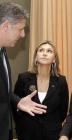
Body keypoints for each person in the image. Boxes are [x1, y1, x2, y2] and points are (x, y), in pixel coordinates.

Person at [0, 2, 47, 140]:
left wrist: (17, 101)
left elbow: (3, 93)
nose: (22, 35)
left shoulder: (3, 51)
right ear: (6, 25)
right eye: (20, 29)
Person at [12, 40, 69, 140]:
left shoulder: (61, 81)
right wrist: (21, 125)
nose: (45, 53)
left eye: (49, 51)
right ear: (36, 57)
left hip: (52, 134)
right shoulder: (24, 78)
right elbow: (15, 105)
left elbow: (63, 111)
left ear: (54, 59)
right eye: (41, 50)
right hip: (26, 133)